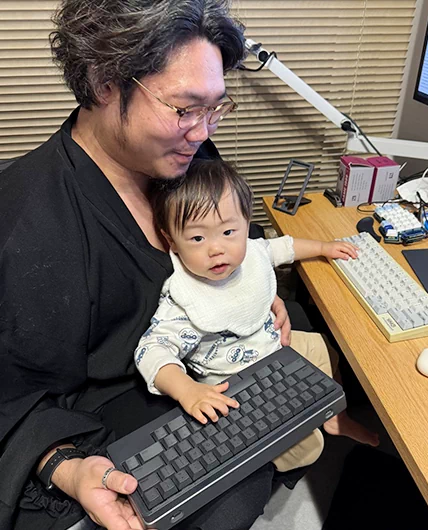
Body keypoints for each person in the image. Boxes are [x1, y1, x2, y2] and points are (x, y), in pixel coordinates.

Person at [0, 1, 295, 529]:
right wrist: (64, 468)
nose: (203, 132)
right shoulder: (27, 222)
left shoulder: (184, 160)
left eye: (215, 109)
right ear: (105, 82)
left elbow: (227, 238)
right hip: (92, 419)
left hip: (197, 367)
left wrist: (248, 288)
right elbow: (12, 397)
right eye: (185, 109)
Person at [136, 158, 379, 473]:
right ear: (171, 240)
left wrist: (322, 246)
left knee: (323, 348)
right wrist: (187, 389)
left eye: (228, 231)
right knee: (309, 449)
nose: (216, 249)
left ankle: (336, 417)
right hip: (235, 385)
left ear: (245, 223)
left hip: (274, 350)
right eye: (197, 238)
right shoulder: (184, 300)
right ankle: (258, 450)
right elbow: (151, 351)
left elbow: (283, 247)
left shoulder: (251, 252)